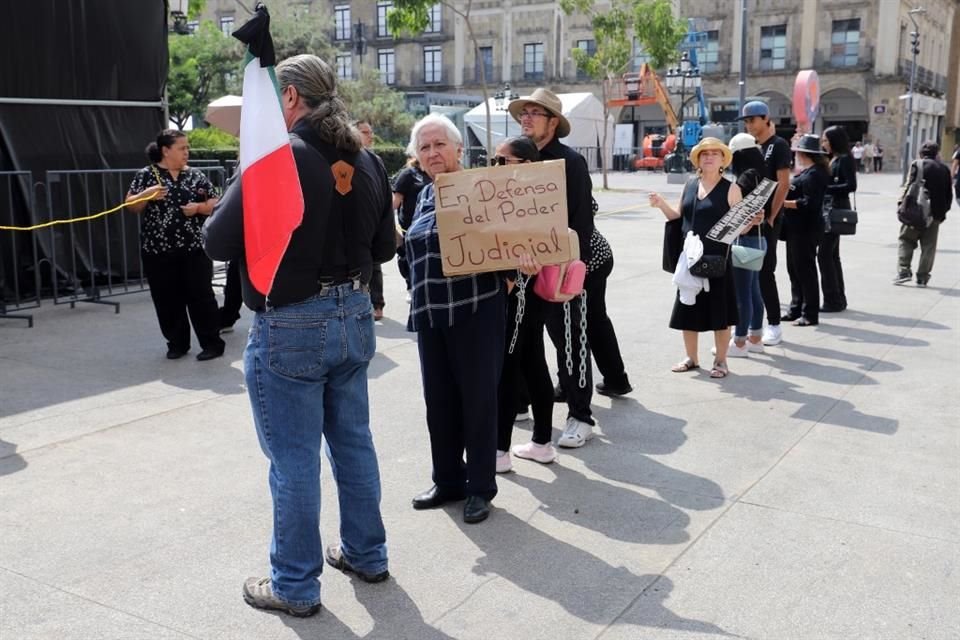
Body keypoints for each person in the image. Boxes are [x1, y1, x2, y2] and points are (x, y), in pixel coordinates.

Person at [203, 54, 395, 618]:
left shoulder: (276, 157)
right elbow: (385, 248)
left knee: (293, 461)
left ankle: (294, 584)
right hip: (353, 311)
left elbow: (216, 240)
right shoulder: (367, 158)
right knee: (353, 442)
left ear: (289, 98)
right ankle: (368, 553)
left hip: (292, 320)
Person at [405, 114, 517, 524]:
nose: (432, 153)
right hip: (431, 312)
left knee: (478, 401)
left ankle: (480, 488)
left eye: (439, 145)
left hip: (475, 309)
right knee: (440, 402)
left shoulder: (482, 187)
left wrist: (512, 272)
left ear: (457, 149)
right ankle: (448, 479)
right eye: (425, 148)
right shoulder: (422, 195)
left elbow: (513, 235)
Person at [508, 87, 597, 448]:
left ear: (553, 122)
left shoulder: (570, 163)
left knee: (570, 345)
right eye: (523, 113)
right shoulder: (513, 158)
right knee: (524, 344)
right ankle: (522, 402)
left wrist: (568, 270)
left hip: (559, 272)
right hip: (522, 271)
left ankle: (580, 415)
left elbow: (582, 225)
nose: (526, 118)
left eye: (535, 112)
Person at [125, 129, 225, 361]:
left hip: (194, 249)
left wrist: (199, 208)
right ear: (165, 151)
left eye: (187, 148)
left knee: (201, 296)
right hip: (157, 251)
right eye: (182, 148)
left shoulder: (195, 176)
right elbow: (130, 205)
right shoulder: (146, 176)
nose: (186, 152)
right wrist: (147, 194)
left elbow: (215, 202)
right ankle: (177, 343)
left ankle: (212, 343)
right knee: (166, 298)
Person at [649, 137, 743, 379]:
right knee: (687, 310)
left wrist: (752, 221)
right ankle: (692, 358)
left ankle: (721, 361)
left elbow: (740, 227)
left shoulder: (731, 189)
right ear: (698, 160)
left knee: (720, 314)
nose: (709, 156)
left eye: (714, 153)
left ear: (723, 159)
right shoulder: (690, 185)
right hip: (690, 259)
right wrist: (660, 204)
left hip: (717, 260)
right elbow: (678, 217)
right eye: (704, 154)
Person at [490, 137, 558, 473]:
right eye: (496, 160)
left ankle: (500, 450)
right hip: (525, 294)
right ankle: (541, 443)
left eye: (507, 161)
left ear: (528, 165)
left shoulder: (533, 197)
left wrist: (514, 277)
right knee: (533, 365)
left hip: (523, 294)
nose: (499, 167)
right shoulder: (527, 194)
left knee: (510, 370)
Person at [739, 100, 790, 347]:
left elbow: (783, 183)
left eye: (752, 120)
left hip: (767, 219)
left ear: (766, 118)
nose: (749, 125)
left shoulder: (778, 145)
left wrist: (772, 215)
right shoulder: (753, 146)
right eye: (746, 121)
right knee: (749, 273)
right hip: (749, 219)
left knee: (766, 271)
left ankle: (774, 324)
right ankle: (753, 326)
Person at [725, 133, 768, 356]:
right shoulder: (763, 174)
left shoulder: (746, 177)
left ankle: (739, 342)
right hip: (759, 240)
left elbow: (739, 212)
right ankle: (755, 337)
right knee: (753, 291)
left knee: (742, 293)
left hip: (746, 239)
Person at [781, 134, 829, 326]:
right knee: (794, 269)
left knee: (805, 271)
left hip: (805, 229)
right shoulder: (808, 171)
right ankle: (796, 307)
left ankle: (810, 313)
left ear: (804, 153)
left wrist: (784, 203)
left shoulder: (815, 174)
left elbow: (809, 203)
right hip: (795, 228)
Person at [894, 141, 953, 287]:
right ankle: (922, 277)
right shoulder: (944, 169)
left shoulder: (917, 164)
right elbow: (948, 194)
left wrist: (901, 204)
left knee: (906, 239)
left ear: (921, 153)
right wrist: (942, 212)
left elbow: (908, 185)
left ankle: (903, 270)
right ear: (937, 153)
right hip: (935, 214)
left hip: (914, 211)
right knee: (929, 246)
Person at [819, 125, 856, 312]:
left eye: (825, 140)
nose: (823, 143)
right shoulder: (833, 158)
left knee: (825, 255)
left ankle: (833, 300)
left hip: (835, 212)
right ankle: (838, 298)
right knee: (832, 256)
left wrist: (825, 188)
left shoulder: (844, 160)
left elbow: (851, 185)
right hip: (830, 210)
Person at [356, 119, 386, 320]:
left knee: (375, 266)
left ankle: (377, 304)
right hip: (357, 224)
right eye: (366, 132)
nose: (370, 135)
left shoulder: (375, 161)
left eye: (371, 131)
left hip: (373, 224)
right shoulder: (345, 160)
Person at [392, 153, 431, 299]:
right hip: (409, 227)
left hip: (431, 226)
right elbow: (395, 202)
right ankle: (410, 286)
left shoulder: (435, 173)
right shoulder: (408, 174)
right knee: (407, 258)